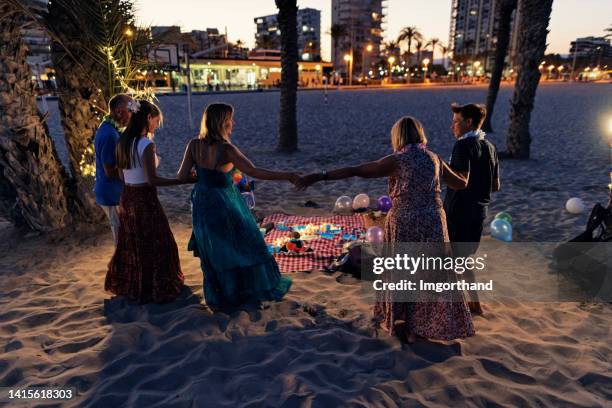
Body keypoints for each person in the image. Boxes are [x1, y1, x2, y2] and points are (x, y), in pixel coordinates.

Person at [297, 116, 475, 343]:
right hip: (433, 221)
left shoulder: (397, 160)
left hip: (406, 221)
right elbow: (460, 183)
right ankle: (427, 326)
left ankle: (409, 324)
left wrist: (320, 176)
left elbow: (356, 170)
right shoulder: (434, 158)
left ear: (398, 137)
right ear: (420, 134)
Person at [177, 103, 296, 308]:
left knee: (216, 252)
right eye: (231, 119)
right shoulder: (227, 149)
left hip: (202, 204)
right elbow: (255, 171)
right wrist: (289, 176)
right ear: (223, 122)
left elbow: (181, 176)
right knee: (246, 245)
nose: (234, 123)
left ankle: (221, 296)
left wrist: (201, 177)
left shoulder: (193, 145)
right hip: (224, 203)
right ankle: (242, 293)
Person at [105, 99, 189, 304]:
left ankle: (135, 285)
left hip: (128, 197)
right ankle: (155, 287)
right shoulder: (146, 144)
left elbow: (123, 175)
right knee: (158, 242)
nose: (155, 126)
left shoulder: (123, 140)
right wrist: (183, 180)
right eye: (155, 122)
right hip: (144, 198)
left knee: (133, 242)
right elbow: (153, 180)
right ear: (148, 118)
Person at [444, 103, 501, 315]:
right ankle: (474, 303)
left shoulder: (462, 146)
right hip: (479, 212)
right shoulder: (490, 147)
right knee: (464, 259)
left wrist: (441, 170)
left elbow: (460, 181)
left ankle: (455, 306)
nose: (452, 127)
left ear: (469, 123)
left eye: (456, 122)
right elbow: (496, 186)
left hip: (458, 211)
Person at [94, 94, 132, 244]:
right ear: (118, 112)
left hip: (113, 192)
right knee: (122, 239)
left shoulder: (110, 129)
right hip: (112, 194)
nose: (132, 114)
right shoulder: (109, 134)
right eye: (130, 110)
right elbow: (110, 170)